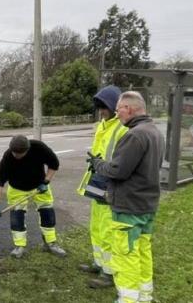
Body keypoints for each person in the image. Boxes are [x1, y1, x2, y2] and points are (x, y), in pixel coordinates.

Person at [89, 91, 164, 303]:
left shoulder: (134, 135)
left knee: (125, 256)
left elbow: (117, 170)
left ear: (129, 109)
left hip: (129, 206)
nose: (117, 113)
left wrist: (98, 164)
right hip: (147, 205)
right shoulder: (154, 132)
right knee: (142, 251)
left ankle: (129, 299)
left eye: (119, 109)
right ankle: (144, 295)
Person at [77, 85, 128, 288]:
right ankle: (99, 263)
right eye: (99, 108)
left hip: (111, 183)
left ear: (113, 107)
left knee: (108, 230)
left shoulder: (122, 128)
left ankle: (109, 273)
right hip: (98, 180)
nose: (101, 112)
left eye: (104, 108)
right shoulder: (102, 125)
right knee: (96, 226)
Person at [0, 135, 66, 258]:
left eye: (20, 154)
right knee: (17, 217)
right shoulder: (8, 157)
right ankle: (19, 246)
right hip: (17, 189)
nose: (17, 156)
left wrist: (46, 182)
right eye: (15, 153)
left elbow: (54, 164)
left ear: (27, 149)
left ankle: (50, 243)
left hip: (39, 187)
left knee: (47, 212)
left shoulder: (39, 148)